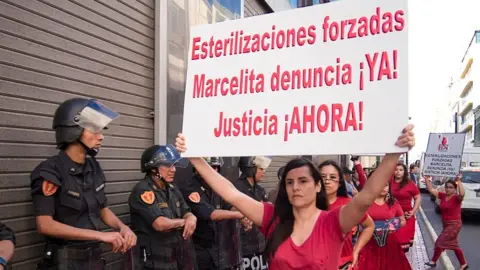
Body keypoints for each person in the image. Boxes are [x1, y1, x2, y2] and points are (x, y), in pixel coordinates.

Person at [174, 124, 415, 269]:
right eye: (289, 182)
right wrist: (195, 156)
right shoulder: (271, 217)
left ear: (318, 187)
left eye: (303, 181)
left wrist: (393, 154)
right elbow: (231, 192)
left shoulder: (334, 222)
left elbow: (366, 196)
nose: (295, 187)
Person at [30, 98, 137, 270]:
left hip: (93, 260)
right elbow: (45, 225)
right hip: (63, 262)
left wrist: (122, 227)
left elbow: (102, 208)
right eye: (94, 129)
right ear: (73, 130)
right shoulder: (50, 171)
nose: (101, 136)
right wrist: (101, 236)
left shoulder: (94, 167)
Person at [129, 144, 198, 270]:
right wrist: (184, 222)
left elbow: (186, 211)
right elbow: (160, 224)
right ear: (153, 168)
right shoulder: (143, 191)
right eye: (167, 165)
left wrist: (192, 218)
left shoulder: (172, 188)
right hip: (152, 263)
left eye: (174, 165)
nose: (173, 169)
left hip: (175, 259)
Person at [180, 156, 245, 270]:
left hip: (219, 246)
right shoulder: (190, 188)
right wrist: (239, 215)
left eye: (216, 167)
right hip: (199, 249)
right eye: (210, 167)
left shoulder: (217, 187)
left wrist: (244, 213)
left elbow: (229, 206)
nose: (213, 171)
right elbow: (211, 214)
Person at [318, 160, 374, 269]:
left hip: (343, 264)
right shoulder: (307, 204)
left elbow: (369, 226)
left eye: (332, 177)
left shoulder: (348, 203)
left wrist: (356, 251)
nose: (327, 181)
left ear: (339, 182)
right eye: (323, 176)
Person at [357, 181, 411, 270]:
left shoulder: (393, 202)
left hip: (389, 244)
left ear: (389, 187)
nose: (383, 188)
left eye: (385, 185)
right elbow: (356, 221)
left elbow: (403, 221)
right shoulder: (364, 202)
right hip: (368, 243)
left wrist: (394, 225)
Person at [233, 156, 272, 269]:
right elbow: (230, 207)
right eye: (260, 168)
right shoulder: (236, 187)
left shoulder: (259, 189)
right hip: (242, 244)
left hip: (259, 243)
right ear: (250, 169)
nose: (263, 172)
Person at [424, 175, 468, 270]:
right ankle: (463, 264)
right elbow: (431, 190)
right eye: (446, 187)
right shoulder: (443, 196)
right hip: (446, 224)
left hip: (455, 224)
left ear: (455, 189)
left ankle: (433, 261)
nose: (448, 189)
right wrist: (427, 179)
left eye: (451, 187)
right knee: (453, 244)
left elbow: (462, 194)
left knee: (440, 241)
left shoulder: (457, 198)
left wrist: (459, 182)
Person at [390, 163, 421, 252]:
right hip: (392, 215)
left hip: (406, 216)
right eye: (396, 169)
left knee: (402, 245)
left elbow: (418, 197)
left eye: (401, 170)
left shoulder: (409, 184)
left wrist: (413, 211)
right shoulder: (388, 182)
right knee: (391, 242)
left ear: (404, 172)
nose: (398, 172)